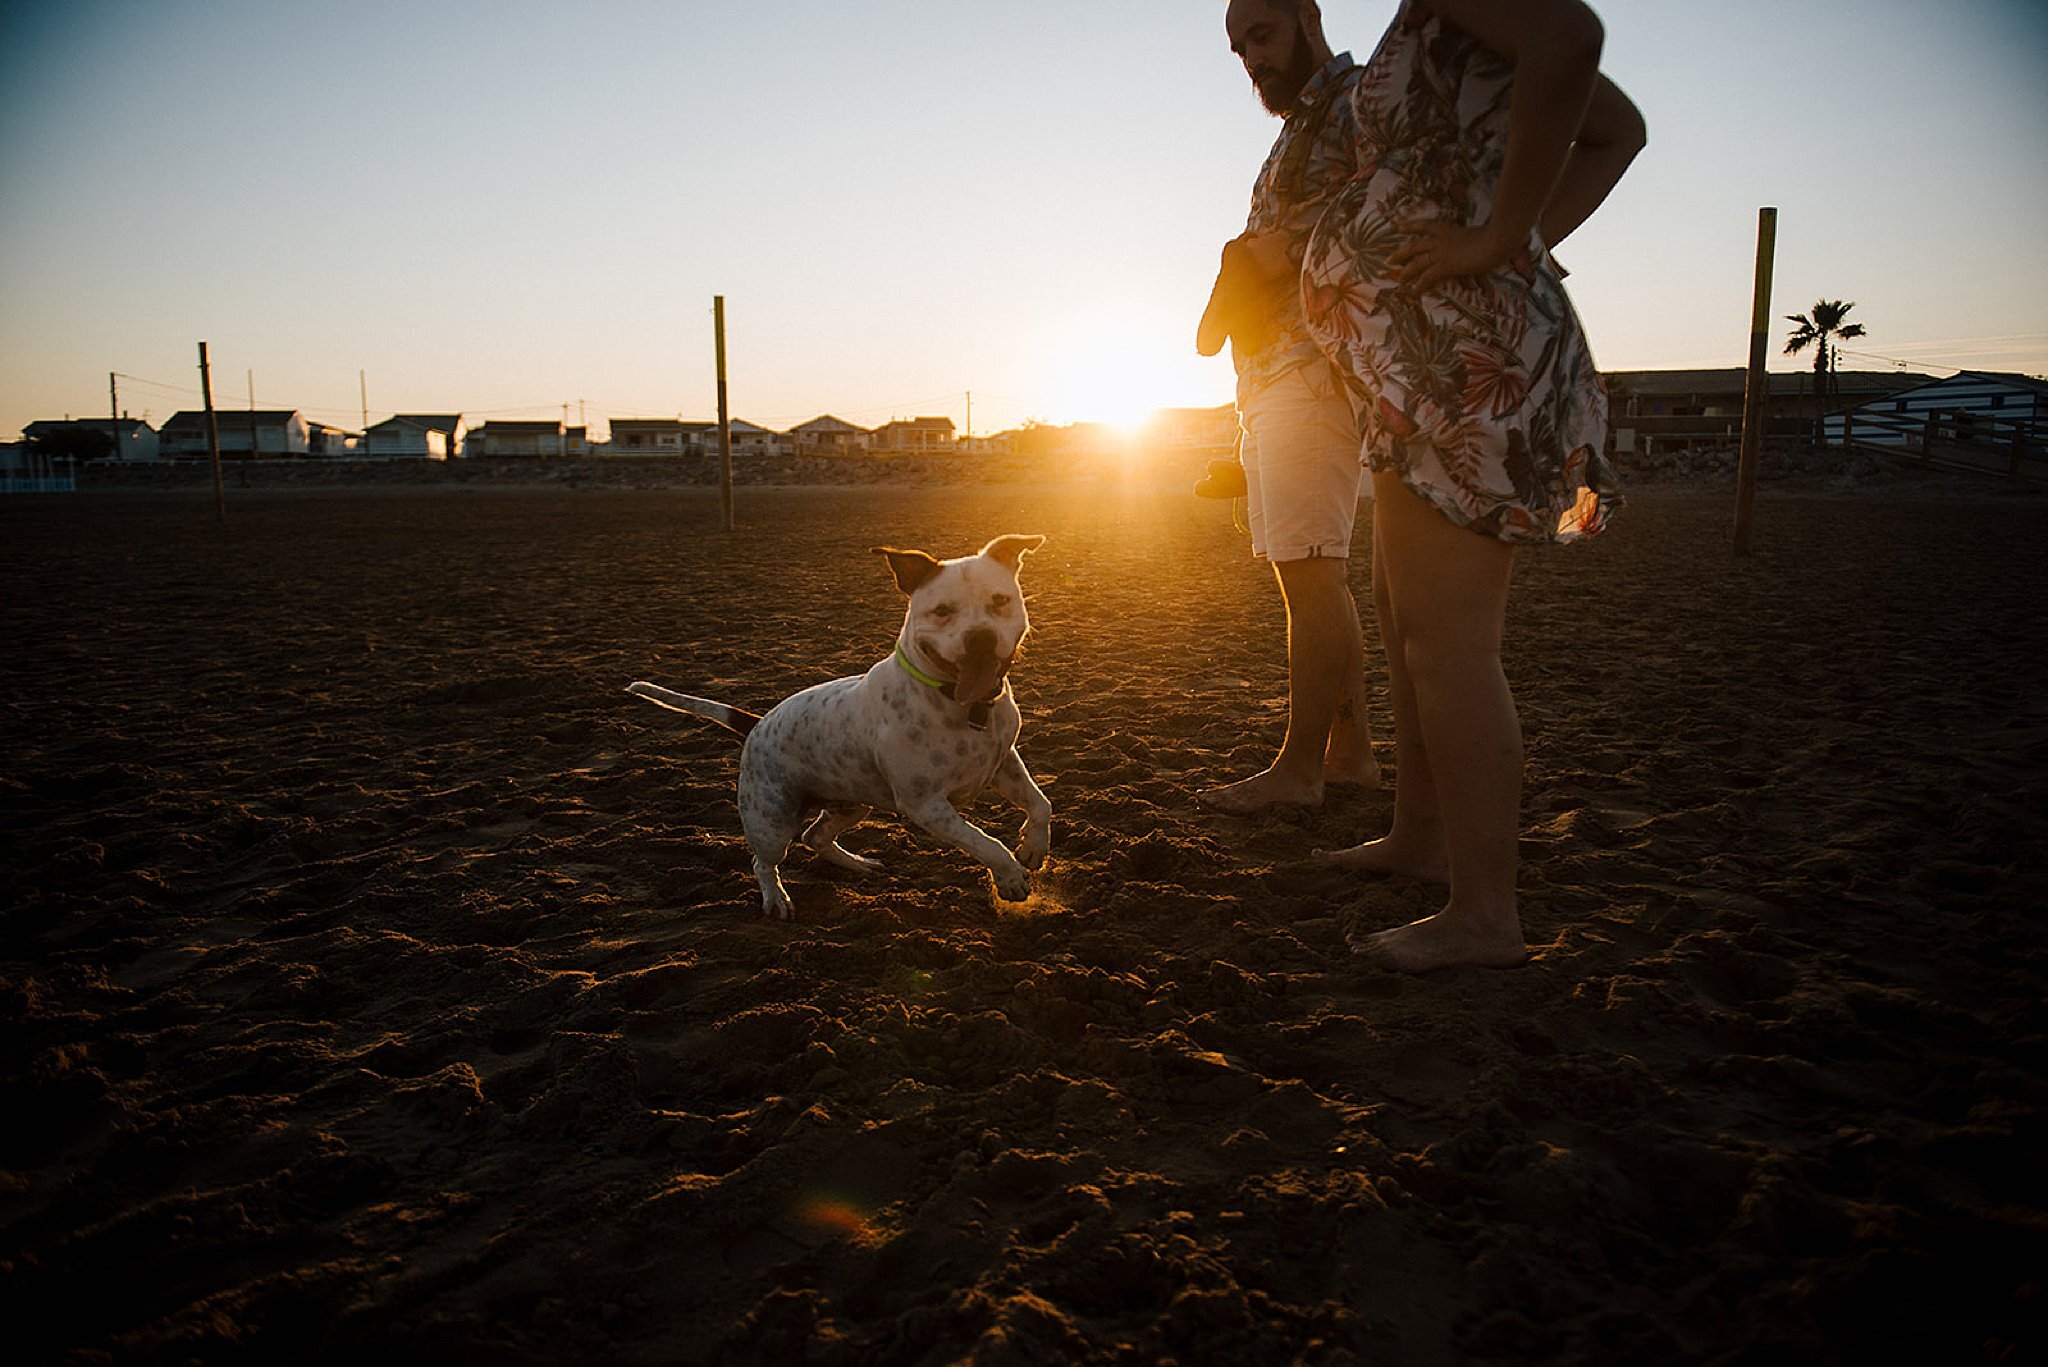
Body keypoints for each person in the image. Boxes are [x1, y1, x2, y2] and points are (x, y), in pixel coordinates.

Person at [1217, 0, 1645, 970]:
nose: (1246, 56)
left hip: (1458, 360)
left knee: (1451, 642)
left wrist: (1501, 240)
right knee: (1405, 614)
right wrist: (1506, 230)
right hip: (1409, 372)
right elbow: (1613, 122)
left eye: (1256, 32)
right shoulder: (1424, 23)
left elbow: (1574, 48)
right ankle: (1418, 839)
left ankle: (1483, 913)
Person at [1195, 0, 1385, 815]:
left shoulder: (1356, 104)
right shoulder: (1299, 125)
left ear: (1308, 16)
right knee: (1309, 579)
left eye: (1262, 37)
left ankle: (1301, 769)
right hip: (1272, 375)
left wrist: (1244, 265)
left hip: (1314, 371)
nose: (1251, 60)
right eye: (1239, 48)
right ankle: (1350, 753)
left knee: (1312, 576)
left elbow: (1364, 218)